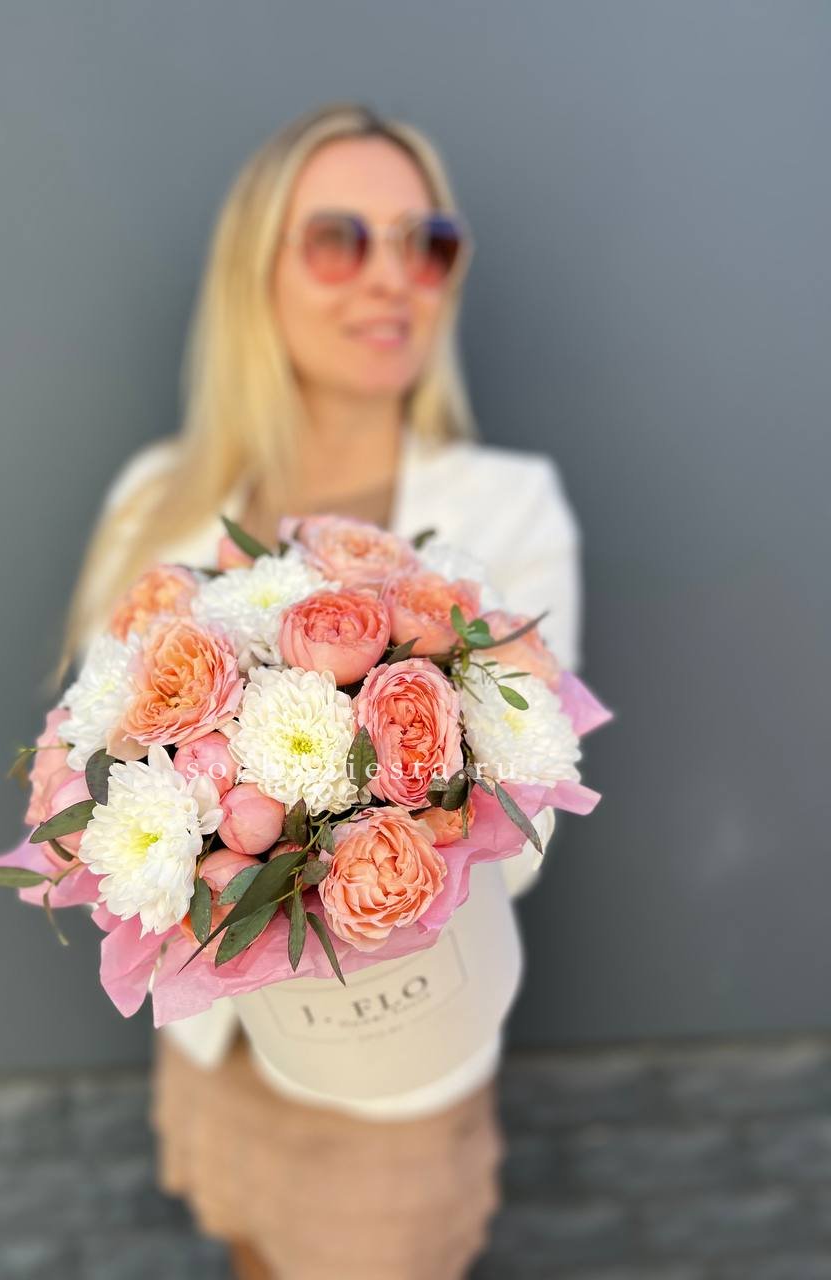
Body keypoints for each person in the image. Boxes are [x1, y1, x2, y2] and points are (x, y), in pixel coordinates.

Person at [52, 101, 583, 1280]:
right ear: (259, 274)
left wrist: (331, 834)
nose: (393, 277)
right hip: (219, 1044)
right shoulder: (160, 497)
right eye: (340, 239)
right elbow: (102, 758)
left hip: (397, 1052)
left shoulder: (506, 509)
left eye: (426, 242)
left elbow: (529, 816)